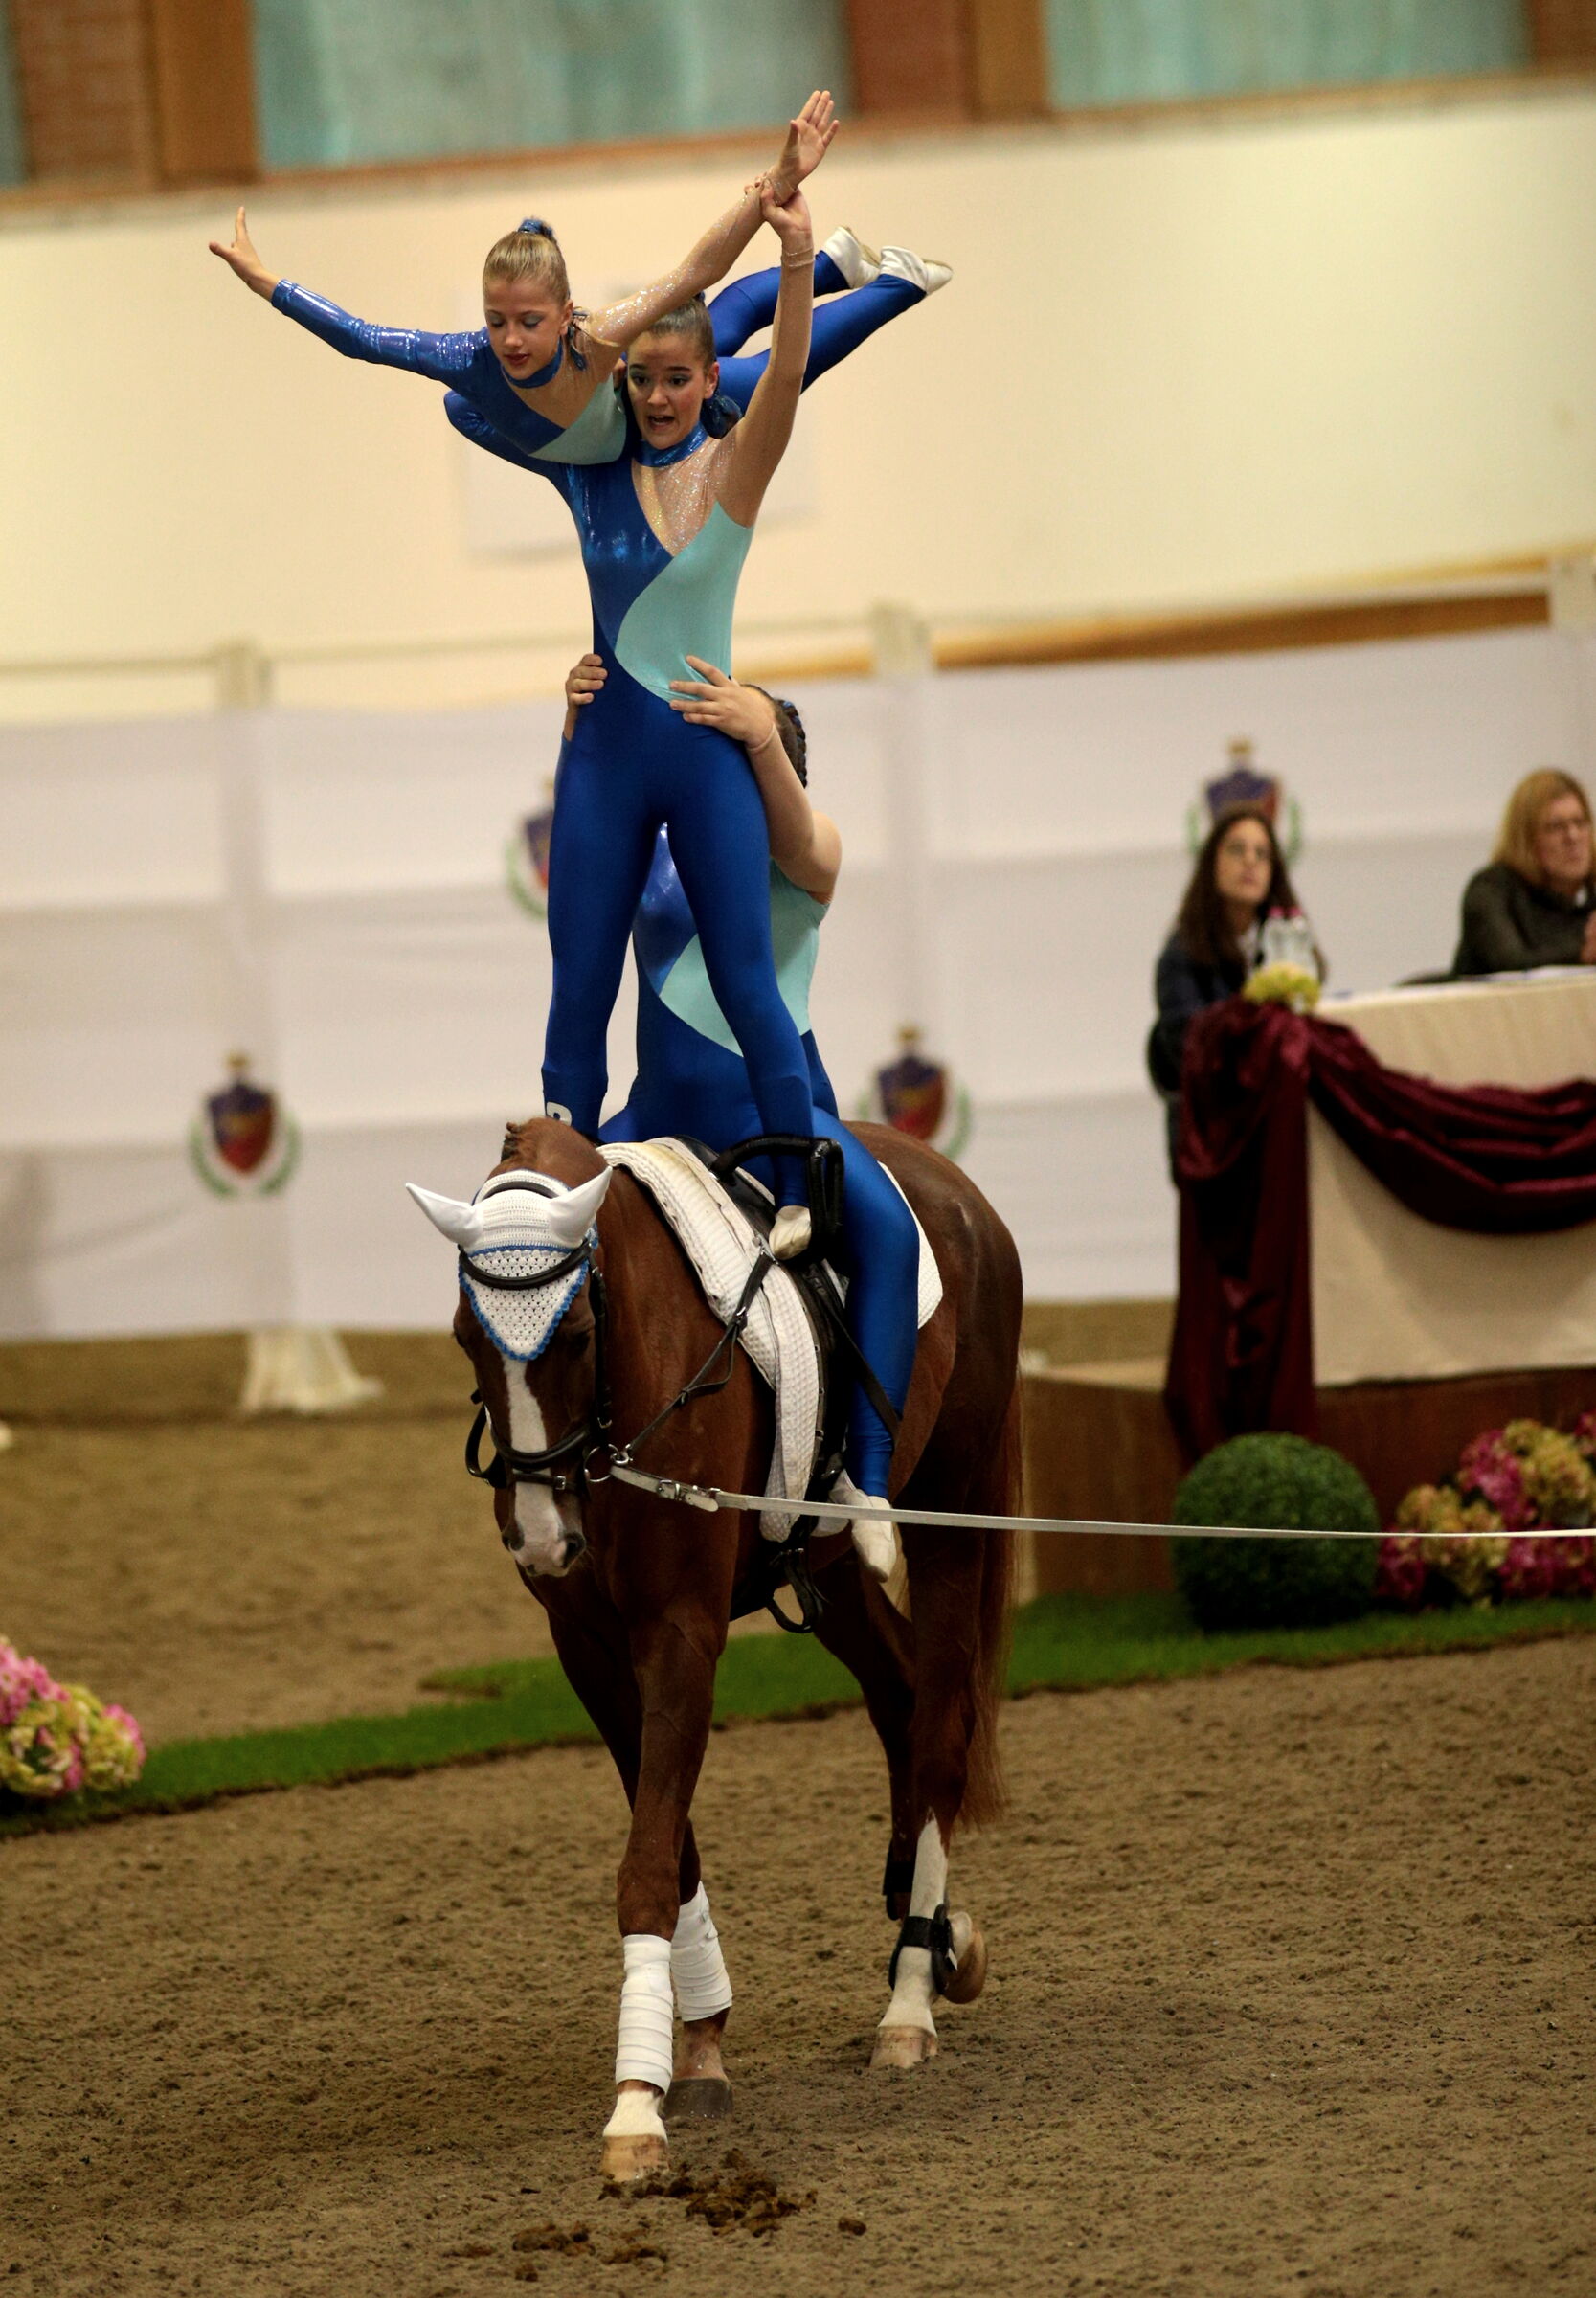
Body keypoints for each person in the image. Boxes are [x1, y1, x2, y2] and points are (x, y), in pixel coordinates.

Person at [556, 648, 917, 1582]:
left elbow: (796, 838)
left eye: (732, 754)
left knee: (886, 1235)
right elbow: (589, 862)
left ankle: (863, 1479)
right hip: (658, 1110)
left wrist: (756, 735)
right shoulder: (660, 851)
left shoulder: (809, 847)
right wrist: (584, 734)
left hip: (777, 1112)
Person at [208, 91, 840, 468]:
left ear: (565, 316)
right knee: (459, 407)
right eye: (496, 320)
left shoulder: (593, 340)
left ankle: (849, 273)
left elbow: (695, 268)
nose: (509, 339)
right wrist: (267, 282)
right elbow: (360, 337)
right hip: (578, 452)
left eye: (528, 322)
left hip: (628, 417)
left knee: (710, 334)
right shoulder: (466, 358)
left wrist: (776, 184)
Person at [1147, 803, 1316, 1172]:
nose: (1250, 862)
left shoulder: (1290, 946)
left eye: (1262, 853)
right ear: (1212, 863)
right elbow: (1187, 1046)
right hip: (1212, 1140)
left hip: (1281, 1127)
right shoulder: (1182, 955)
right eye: (1237, 850)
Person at [1452, 769, 1596, 976]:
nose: (1572, 837)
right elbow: (1509, 962)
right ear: (1525, 838)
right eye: (1556, 827)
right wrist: (1582, 954)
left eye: (1580, 823)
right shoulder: (1491, 890)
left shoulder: (1590, 896)